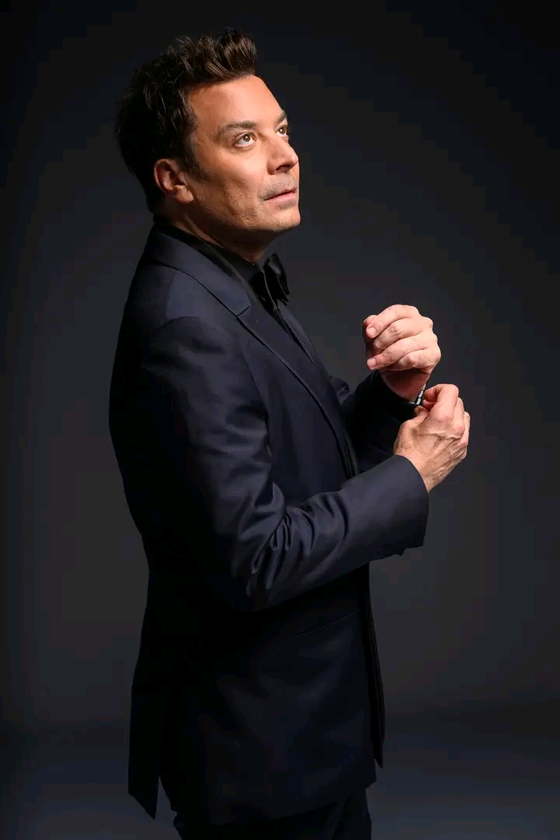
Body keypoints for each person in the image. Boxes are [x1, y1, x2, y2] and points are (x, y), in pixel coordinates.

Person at [109, 28, 470, 839]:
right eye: (244, 140)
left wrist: (390, 397)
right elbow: (256, 556)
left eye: (282, 131)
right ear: (175, 179)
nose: (285, 156)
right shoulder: (184, 325)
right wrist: (412, 475)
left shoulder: (229, 283)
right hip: (258, 757)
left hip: (297, 742)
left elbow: (301, 458)